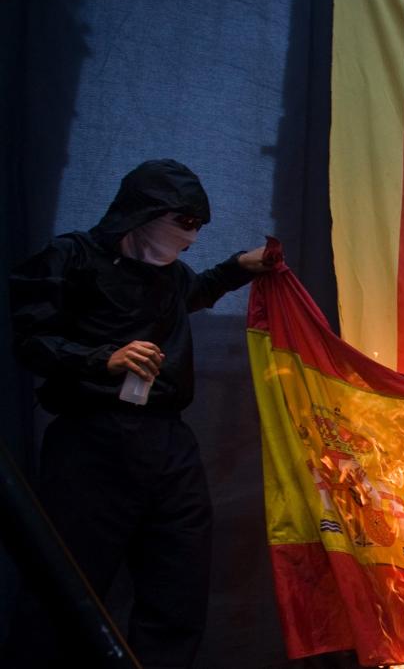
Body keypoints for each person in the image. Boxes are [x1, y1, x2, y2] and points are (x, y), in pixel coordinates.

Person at [7, 159, 273, 667]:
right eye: (184, 223)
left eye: (197, 228)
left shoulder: (171, 277)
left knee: (180, 581)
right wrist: (101, 358)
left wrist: (241, 267)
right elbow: (30, 337)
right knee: (69, 585)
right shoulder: (72, 257)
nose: (189, 238)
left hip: (167, 443)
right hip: (91, 444)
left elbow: (195, 291)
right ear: (145, 213)